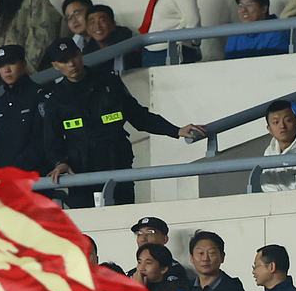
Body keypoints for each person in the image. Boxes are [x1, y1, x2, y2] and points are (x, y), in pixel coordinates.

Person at [37, 39, 205, 207]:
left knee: (124, 218)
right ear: (55, 65)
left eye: (73, 56)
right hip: (81, 174)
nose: (72, 64)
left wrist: (175, 130)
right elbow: (52, 140)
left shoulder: (109, 82)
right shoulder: (55, 99)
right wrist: (60, 163)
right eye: (64, 61)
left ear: (80, 54)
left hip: (117, 166)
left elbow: (139, 116)